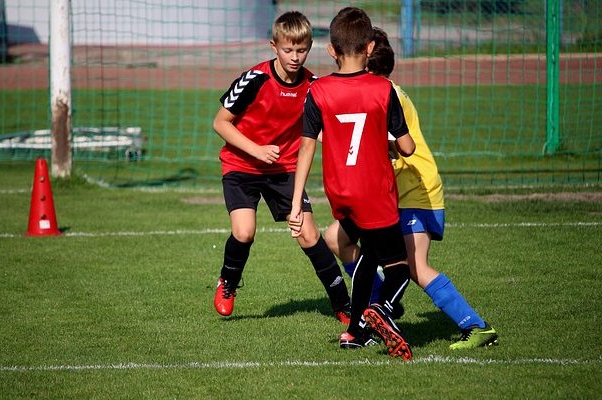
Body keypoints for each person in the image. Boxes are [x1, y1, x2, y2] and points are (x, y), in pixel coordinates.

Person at [323, 26, 499, 350]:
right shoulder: (370, 93)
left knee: (414, 267)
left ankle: (476, 326)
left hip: (415, 191)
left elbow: (402, 146)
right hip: (385, 194)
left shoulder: (387, 95)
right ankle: (378, 310)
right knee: (337, 236)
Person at [288, 7, 416, 361]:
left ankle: (354, 332)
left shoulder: (318, 91)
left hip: (341, 193)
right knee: (400, 267)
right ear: (371, 46)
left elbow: (307, 147)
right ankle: (384, 312)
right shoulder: (382, 89)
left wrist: (296, 203)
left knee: (368, 256)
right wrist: (388, 143)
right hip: (376, 193)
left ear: (330, 50)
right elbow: (407, 146)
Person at [212, 11, 351, 325]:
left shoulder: (314, 86)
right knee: (244, 232)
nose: (295, 57)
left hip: (285, 170)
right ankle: (228, 282)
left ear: (309, 47)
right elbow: (220, 122)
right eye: (288, 50)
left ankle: (344, 305)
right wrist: (257, 150)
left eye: (301, 50)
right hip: (241, 164)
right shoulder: (255, 79)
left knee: (308, 233)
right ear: (273, 46)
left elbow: (326, 132)